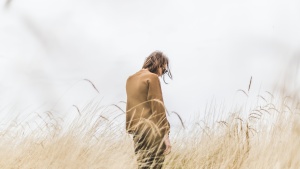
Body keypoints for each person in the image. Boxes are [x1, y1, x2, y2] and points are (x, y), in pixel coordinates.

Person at [126, 51, 172, 169]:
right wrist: (165, 135)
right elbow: (158, 107)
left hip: (137, 133)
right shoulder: (152, 77)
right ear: (158, 64)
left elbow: (130, 107)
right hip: (152, 133)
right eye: (164, 70)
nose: (162, 74)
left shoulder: (130, 79)